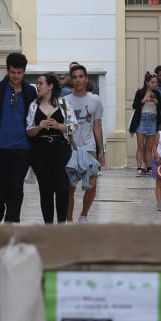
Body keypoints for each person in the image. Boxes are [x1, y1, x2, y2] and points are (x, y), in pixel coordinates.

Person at [0, 51, 37, 223]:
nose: (16, 76)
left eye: (19, 73)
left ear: (24, 72)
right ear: (8, 70)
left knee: (16, 185)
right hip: (1, 146)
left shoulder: (30, 92)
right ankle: (1, 208)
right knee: (3, 185)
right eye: (13, 72)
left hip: (23, 147)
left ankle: (12, 219)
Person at [25, 73, 76, 224]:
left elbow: (73, 127)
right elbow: (28, 131)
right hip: (40, 150)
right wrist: (39, 127)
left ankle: (61, 223)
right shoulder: (34, 105)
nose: (38, 86)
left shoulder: (64, 104)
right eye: (37, 83)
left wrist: (58, 126)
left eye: (41, 83)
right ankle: (48, 225)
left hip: (61, 148)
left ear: (50, 86)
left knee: (62, 188)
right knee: (45, 189)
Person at [65, 62, 105, 223]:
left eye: (81, 77)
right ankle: (68, 218)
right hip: (70, 149)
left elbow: (97, 125)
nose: (78, 80)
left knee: (92, 184)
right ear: (71, 80)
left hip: (89, 148)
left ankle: (83, 214)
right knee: (70, 187)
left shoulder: (95, 100)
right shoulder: (64, 101)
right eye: (74, 77)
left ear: (86, 79)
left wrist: (101, 150)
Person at [129, 72, 161, 174]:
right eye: (152, 82)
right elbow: (134, 105)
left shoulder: (157, 93)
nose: (155, 84)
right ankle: (139, 167)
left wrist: (156, 101)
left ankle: (149, 167)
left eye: (155, 82)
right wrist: (143, 100)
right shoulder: (140, 93)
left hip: (153, 120)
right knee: (141, 146)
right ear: (147, 82)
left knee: (149, 147)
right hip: (141, 120)